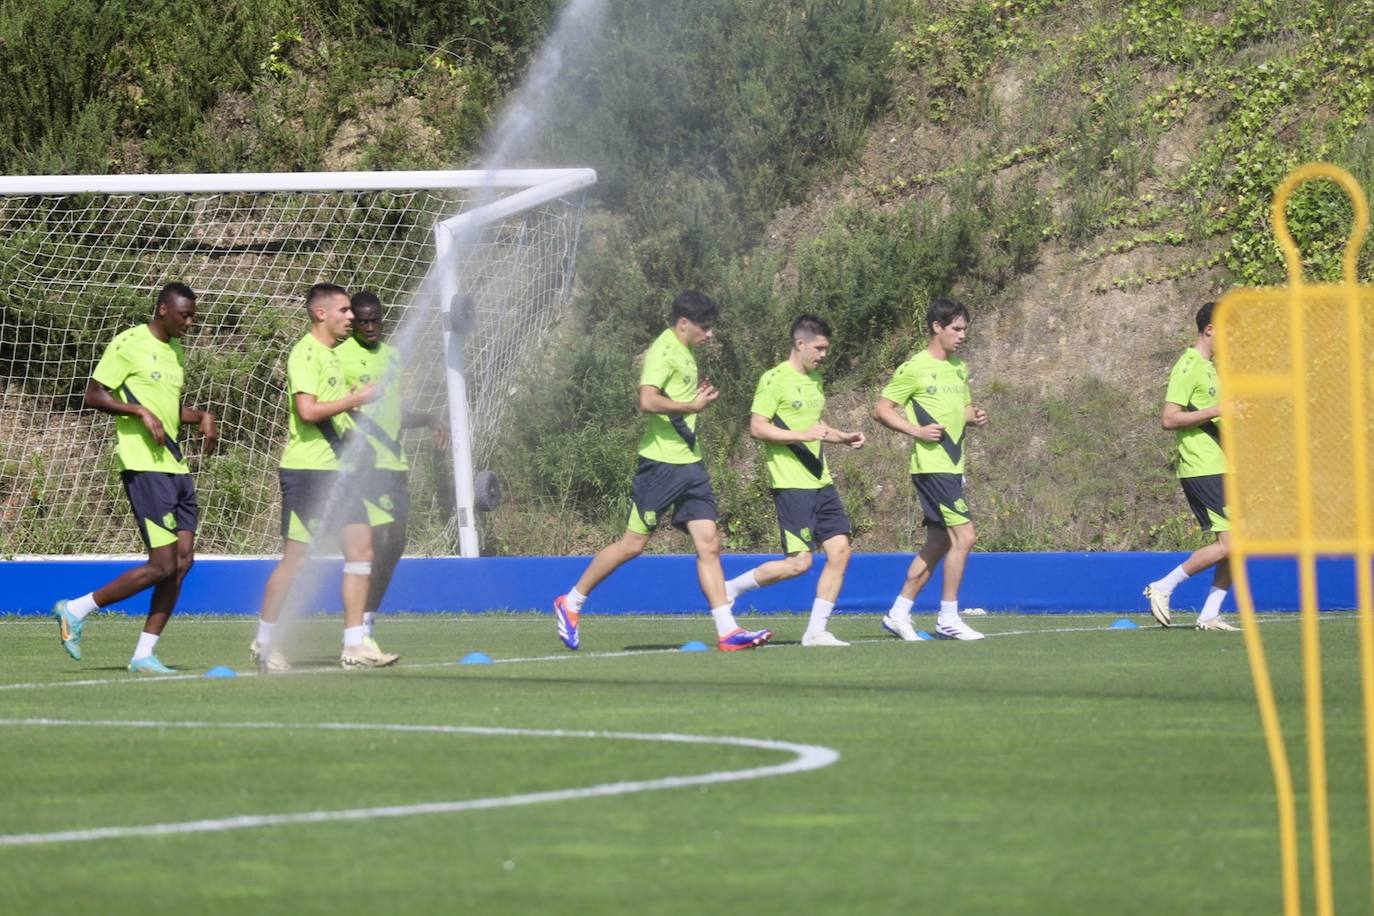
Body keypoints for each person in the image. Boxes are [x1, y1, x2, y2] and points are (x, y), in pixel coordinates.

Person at [552, 291, 772, 652]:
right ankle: (571, 601)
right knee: (632, 545)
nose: (711, 334)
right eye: (705, 326)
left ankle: (727, 630)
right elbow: (647, 400)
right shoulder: (664, 351)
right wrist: (691, 404)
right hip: (660, 466)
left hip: (691, 465)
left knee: (710, 544)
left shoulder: (686, 353)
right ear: (683, 323)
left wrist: (692, 404)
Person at [51, 282, 217, 674]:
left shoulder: (175, 350)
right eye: (185, 316)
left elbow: (168, 409)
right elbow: (93, 394)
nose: (191, 323)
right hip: (144, 466)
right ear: (163, 310)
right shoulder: (128, 343)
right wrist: (138, 412)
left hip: (175, 466)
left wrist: (201, 416)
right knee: (162, 565)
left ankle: (144, 654)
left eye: (193, 315)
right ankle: (76, 609)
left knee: (183, 562)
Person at [250, 283, 400, 670]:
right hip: (308, 472)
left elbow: (334, 412)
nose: (352, 317)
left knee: (362, 548)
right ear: (321, 314)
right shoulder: (306, 353)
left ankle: (354, 645)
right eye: (345, 310)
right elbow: (308, 412)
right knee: (295, 562)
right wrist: (355, 400)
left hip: (338, 472)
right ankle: (264, 641)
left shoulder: (333, 356)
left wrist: (355, 429)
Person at [724, 315, 865, 647]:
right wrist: (800, 434)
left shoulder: (815, 380)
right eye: (819, 348)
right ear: (800, 344)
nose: (824, 355)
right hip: (791, 484)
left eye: (827, 349)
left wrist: (842, 437)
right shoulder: (774, 380)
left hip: (821, 481)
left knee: (840, 551)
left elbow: (816, 425)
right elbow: (758, 427)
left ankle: (816, 631)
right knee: (800, 563)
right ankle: (731, 588)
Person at [872, 296, 990, 641]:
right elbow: (882, 409)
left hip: (954, 465)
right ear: (936, 328)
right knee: (965, 536)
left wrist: (974, 416)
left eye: (965, 328)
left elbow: (961, 409)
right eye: (956, 328)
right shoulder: (914, 368)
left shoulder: (959, 367)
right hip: (932, 466)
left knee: (938, 542)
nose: (962, 335)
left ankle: (898, 612)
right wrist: (915, 431)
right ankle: (948, 617)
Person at [336, 290, 441, 641]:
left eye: (374, 320)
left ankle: (367, 617)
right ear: (352, 322)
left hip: (394, 464)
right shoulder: (339, 356)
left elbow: (394, 412)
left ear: (382, 319)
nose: (368, 326)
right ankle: (357, 622)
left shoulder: (393, 357)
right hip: (362, 465)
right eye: (362, 321)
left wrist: (427, 418)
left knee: (395, 541)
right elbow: (336, 407)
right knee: (374, 540)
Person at [1143, 301, 1236, 631]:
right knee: (1232, 543)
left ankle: (1210, 613)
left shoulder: (1213, 368)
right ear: (1210, 330)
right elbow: (1169, 418)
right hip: (1201, 466)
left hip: (1223, 464)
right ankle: (1164, 586)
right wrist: (1217, 410)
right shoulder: (1188, 366)